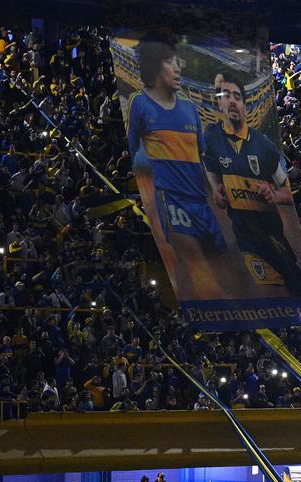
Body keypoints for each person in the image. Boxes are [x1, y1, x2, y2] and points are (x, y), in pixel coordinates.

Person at [126, 32, 229, 293]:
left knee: (224, 270)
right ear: (154, 65)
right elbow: (130, 149)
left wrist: (215, 188)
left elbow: (204, 155)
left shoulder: (189, 109)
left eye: (178, 61)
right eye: (170, 61)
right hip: (171, 199)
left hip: (201, 202)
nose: (177, 67)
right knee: (196, 267)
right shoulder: (140, 104)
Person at [203, 71, 301, 293]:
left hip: (271, 230)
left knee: (294, 284)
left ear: (245, 106)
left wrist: (273, 194)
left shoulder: (263, 145)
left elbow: (287, 192)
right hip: (243, 232)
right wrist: (216, 189)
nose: (232, 101)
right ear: (220, 104)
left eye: (237, 97)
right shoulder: (213, 135)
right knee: (268, 287)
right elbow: (211, 166)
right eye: (226, 96)